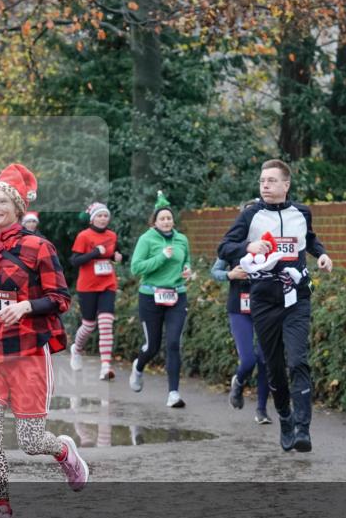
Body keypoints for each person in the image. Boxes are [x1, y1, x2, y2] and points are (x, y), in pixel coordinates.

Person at [0, 163, 87, 518]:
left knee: (29, 441)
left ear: (17, 208)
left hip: (26, 350)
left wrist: (27, 307)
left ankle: (63, 452)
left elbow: (60, 299)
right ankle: (2, 510)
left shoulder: (38, 247)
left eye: (0, 201)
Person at [217, 159, 333, 452]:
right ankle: (284, 415)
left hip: (296, 298)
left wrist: (321, 255)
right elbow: (224, 247)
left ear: (286, 184)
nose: (265, 185)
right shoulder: (250, 215)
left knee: (298, 360)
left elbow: (308, 239)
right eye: (261, 181)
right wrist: (248, 246)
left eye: (271, 180)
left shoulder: (302, 213)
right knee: (275, 367)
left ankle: (303, 429)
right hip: (264, 300)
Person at [128, 191, 196, 408]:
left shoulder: (181, 239)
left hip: (177, 295)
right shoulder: (147, 239)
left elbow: (186, 261)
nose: (166, 222)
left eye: (169, 218)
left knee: (174, 343)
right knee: (153, 346)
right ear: (155, 222)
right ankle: (139, 366)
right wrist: (161, 257)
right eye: (162, 219)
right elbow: (136, 267)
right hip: (150, 297)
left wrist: (187, 270)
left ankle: (173, 393)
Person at [210, 247, 272, 425]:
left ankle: (261, 410)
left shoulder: (270, 243)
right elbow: (215, 272)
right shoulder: (233, 244)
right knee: (248, 360)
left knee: (264, 358)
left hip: (265, 306)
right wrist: (231, 275)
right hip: (239, 308)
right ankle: (238, 383)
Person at [69, 201, 124, 381]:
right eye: (99, 216)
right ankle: (76, 349)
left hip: (108, 284)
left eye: (105, 216)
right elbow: (75, 261)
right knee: (89, 325)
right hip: (88, 286)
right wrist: (94, 253)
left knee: (106, 322)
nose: (103, 219)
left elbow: (116, 255)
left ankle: (105, 366)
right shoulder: (84, 236)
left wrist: (118, 257)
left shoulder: (112, 235)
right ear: (93, 218)